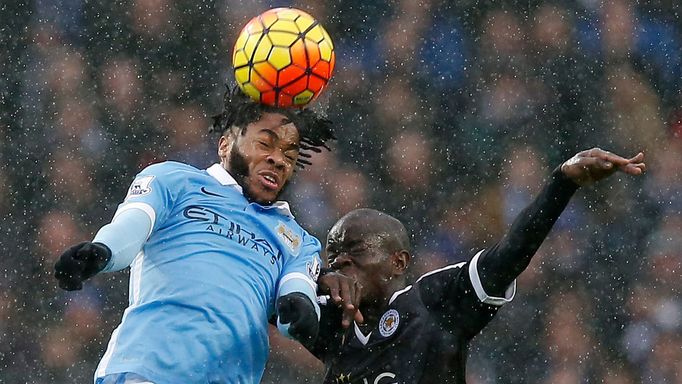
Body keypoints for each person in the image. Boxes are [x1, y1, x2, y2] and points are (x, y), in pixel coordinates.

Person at [53, 87, 335, 384]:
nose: (278, 160)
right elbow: (134, 223)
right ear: (225, 145)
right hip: (146, 371)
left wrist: (303, 311)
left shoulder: (298, 240)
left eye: (289, 157)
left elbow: (297, 293)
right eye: (265, 143)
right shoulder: (175, 180)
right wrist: (102, 251)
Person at [311, 148, 645, 384]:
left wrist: (561, 184)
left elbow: (507, 257)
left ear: (398, 262)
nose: (341, 260)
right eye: (334, 253)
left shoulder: (431, 301)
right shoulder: (328, 321)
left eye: (356, 249)